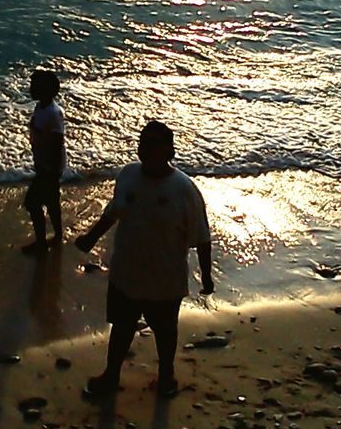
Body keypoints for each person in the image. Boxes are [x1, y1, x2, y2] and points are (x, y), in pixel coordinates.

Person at [74, 120, 213, 399]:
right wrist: (90, 237)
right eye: (142, 141)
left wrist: (207, 277)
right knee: (122, 328)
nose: (145, 148)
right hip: (126, 272)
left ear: (169, 151)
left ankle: (166, 377)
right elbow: (114, 212)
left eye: (153, 143)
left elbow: (201, 235)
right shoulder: (127, 175)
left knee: (165, 331)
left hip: (165, 277)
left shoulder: (183, 189)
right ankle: (111, 376)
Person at [21, 69, 66, 254]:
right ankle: (58, 234)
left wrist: (52, 171)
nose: (31, 89)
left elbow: (57, 143)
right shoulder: (41, 107)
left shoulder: (52, 114)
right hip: (45, 164)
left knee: (32, 202)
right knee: (51, 200)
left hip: (50, 167)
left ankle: (41, 243)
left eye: (35, 86)